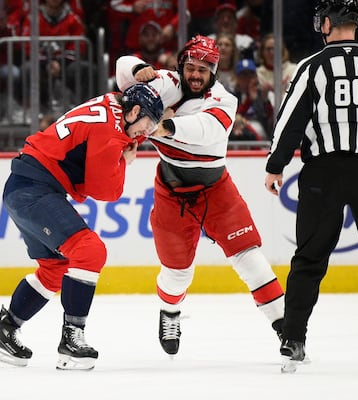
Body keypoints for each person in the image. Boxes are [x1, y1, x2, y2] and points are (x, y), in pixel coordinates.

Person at [264, 0, 358, 373]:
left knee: (310, 258)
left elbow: (291, 120)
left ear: (327, 24)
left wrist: (275, 165)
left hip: (323, 175)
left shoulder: (311, 67)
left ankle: (293, 339)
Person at [116, 35, 286, 356]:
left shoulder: (224, 100)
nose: (195, 75)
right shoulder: (165, 82)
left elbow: (206, 129)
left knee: (250, 260)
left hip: (215, 190)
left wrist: (158, 127)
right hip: (170, 192)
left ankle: (286, 330)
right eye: (190, 67)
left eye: (203, 70)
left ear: (214, 72)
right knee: (177, 273)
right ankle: (170, 313)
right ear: (181, 66)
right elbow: (123, 68)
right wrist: (139, 69)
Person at [0, 83, 164, 370]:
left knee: (55, 269)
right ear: (134, 110)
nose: (146, 133)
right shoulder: (111, 132)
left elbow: (125, 76)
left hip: (24, 185)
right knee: (90, 250)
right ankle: (72, 340)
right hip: (35, 190)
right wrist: (125, 161)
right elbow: (104, 191)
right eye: (147, 124)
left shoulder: (114, 103)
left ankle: (3, 331)